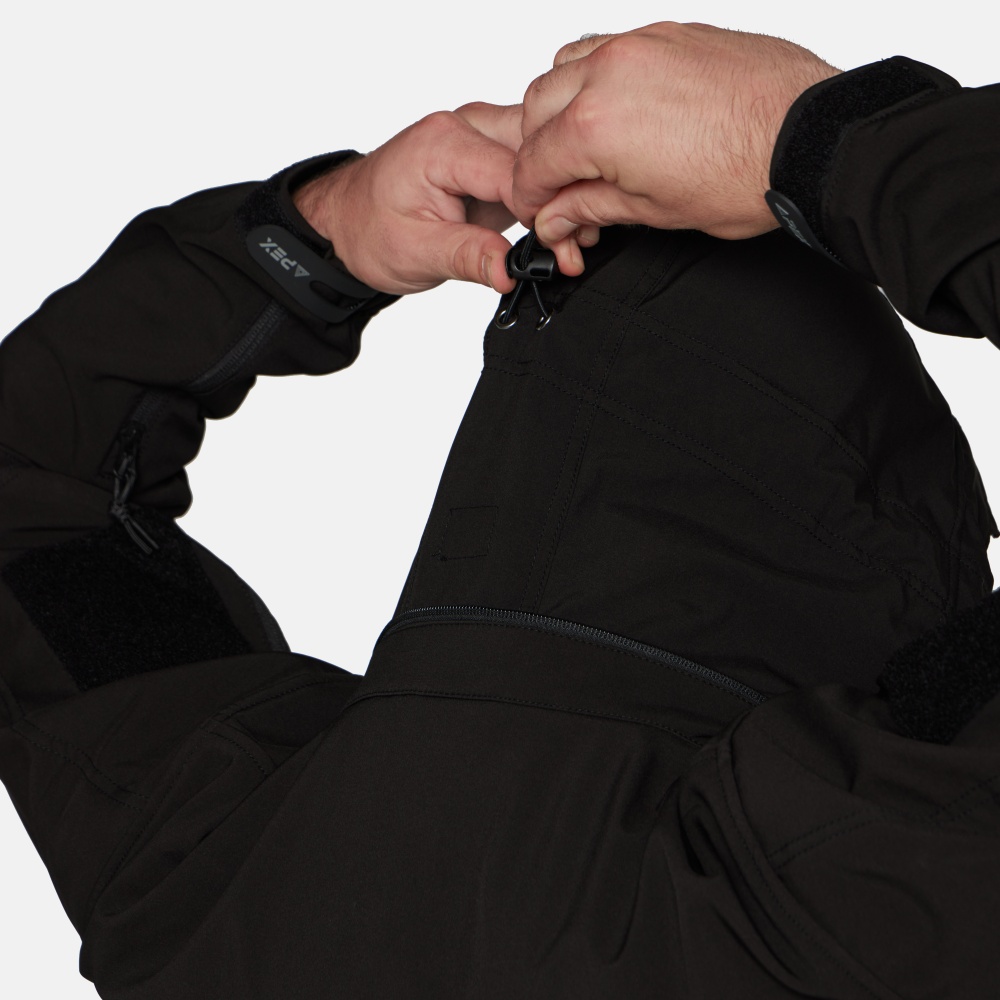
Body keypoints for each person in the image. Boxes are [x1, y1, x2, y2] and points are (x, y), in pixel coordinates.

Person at [0, 20, 997, 998]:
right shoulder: (843, 898)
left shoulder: (224, 908)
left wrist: (315, 243)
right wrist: (818, 137)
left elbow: (27, 487)